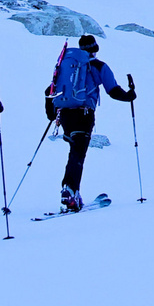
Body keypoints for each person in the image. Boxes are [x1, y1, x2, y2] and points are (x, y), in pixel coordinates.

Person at [47, 34, 135, 211]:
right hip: (84, 114)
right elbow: (113, 90)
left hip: (65, 114)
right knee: (78, 153)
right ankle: (70, 191)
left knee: (74, 150)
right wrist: (130, 96)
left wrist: (51, 113)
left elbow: (50, 89)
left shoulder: (66, 66)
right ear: (96, 49)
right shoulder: (98, 66)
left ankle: (71, 190)